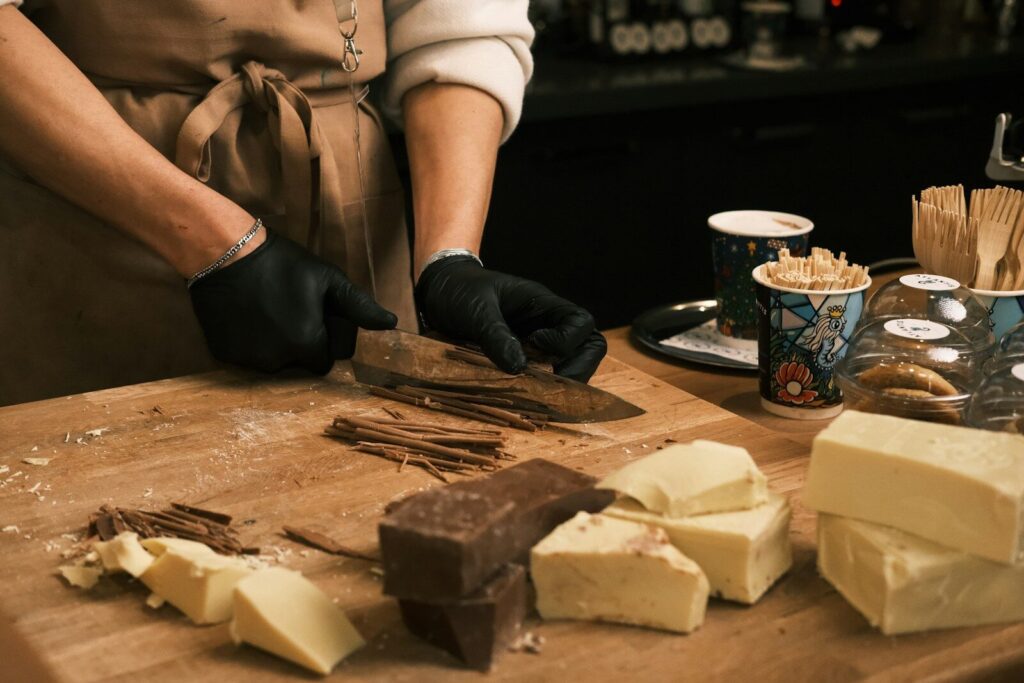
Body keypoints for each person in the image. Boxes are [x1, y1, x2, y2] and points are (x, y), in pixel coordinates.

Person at [0, 1, 607, 406]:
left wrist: (449, 257)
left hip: (354, 205)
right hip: (101, 196)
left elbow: (460, 20)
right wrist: (211, 242)